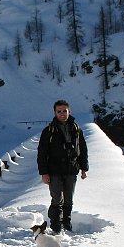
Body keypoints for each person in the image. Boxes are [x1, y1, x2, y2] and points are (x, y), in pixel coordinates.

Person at [37, 99, 88, 233]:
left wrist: (84, 168)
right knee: (57, 198)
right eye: (59, 111)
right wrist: (44, 173)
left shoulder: (76, 129)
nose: (62, 114)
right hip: (54, 170)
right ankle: (56, 224)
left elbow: (82, 149)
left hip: (71, 169)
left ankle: (67, 222)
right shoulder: (49, 131)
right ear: (55, 113)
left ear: (69, 111)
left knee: (69, 198)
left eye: (64, 111)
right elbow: (42, 153)